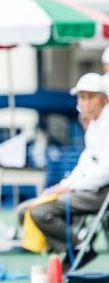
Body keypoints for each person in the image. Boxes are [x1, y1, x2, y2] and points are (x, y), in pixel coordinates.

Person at [17, 73, 109, 270]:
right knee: (24, 210)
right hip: (88, 189)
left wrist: (72, 188)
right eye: (81, 97)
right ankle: (73, 248)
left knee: (39, 211)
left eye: (90, 97)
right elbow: (85, 163)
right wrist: (63, 186)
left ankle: (78, 249)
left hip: (101, 193)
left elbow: (105, 171)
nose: (85, 103)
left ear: (104, 99)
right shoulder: (95, 124)